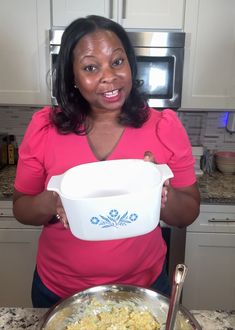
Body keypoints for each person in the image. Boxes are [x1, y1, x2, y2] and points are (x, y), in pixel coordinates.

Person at [13, 15, 200, 308]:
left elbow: (188, 212)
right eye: (90, 67)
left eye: (117, 62)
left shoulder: (164, 127)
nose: (109, 77)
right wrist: (53, 201)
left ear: (130, 64)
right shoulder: (44, 128)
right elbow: (21, 207)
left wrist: (163, 192)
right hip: (59, 291)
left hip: (143, 287)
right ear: (72, 77)